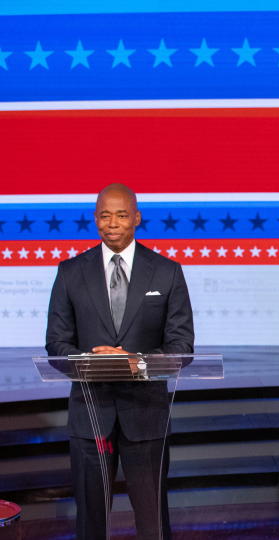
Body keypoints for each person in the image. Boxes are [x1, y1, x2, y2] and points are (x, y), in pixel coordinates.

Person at [46, 183, 194, 540]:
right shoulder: (70, 272)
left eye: (121, 214)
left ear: (137, 218)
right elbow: (56, 345)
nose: (112, 222)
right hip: (91, 416)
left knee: (152, 521)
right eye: (105, 215)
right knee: (91, 522)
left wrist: (138, 362)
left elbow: (182, 346)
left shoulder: (166, 272)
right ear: (95, 219)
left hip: (145, 417)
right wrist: (90, 360)